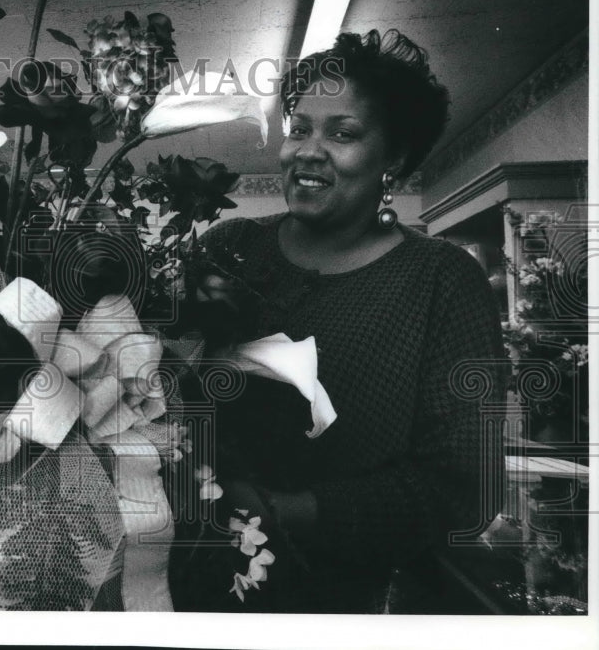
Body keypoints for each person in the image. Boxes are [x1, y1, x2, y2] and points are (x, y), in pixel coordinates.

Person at [187, 30, 505, 613]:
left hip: (332, 600)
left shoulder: (441, 281)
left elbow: (467, 486)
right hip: (188, 578)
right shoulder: (229, 248)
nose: (308, 149)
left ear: (395, 158)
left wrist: (284, 509)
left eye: (344, 133)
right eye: (300, 127)